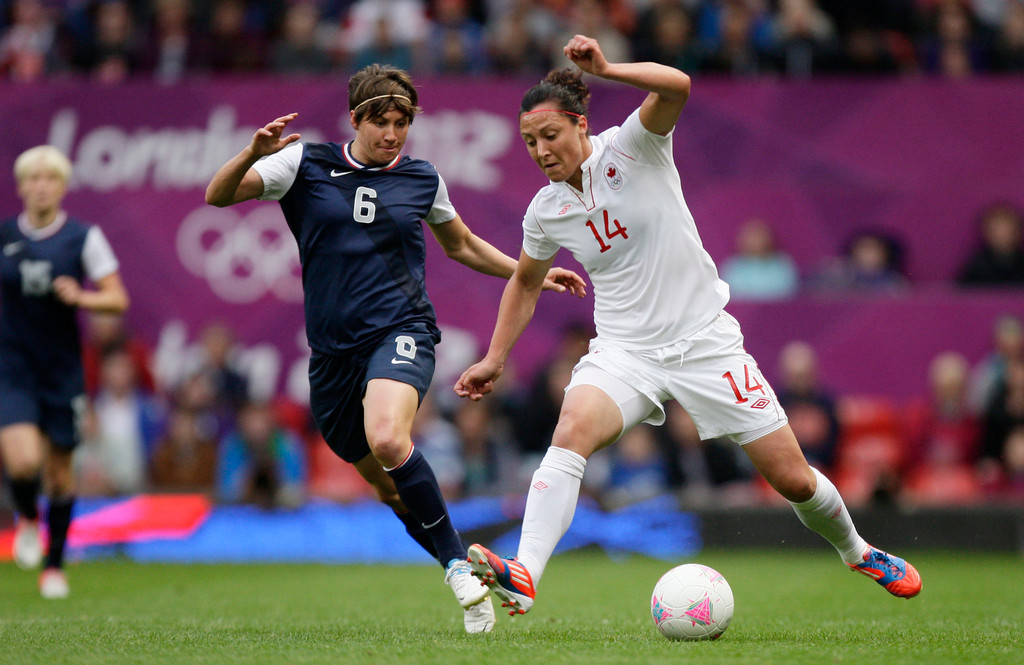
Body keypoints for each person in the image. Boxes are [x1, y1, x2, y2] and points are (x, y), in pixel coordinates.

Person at [454, 35, 921, 617]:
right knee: (571, 428)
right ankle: (524, 574)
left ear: (580, 125)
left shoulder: (634, 147)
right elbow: (524, 282)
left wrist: (606, 68)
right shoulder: (545, 212)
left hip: (705, 343)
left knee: (794, 480)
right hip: (625, 350)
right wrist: (496, 358)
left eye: (550, 136)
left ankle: (857, 551)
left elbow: (676, 85)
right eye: (529, 142)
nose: (541, 150)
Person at [204, 63, 586, 633]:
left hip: (400, 331)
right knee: (389, 489)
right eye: (380, 122)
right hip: (333, 357)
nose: (392, 133)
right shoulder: (302, 163)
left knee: (388, 437)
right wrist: (251, 152)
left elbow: (461, 246)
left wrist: (530, 272)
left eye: (402, 122)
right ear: (355, 119)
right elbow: (218, 196)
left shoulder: (422, 177)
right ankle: (459, 567)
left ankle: (459, 568)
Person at [1, 145, 130, 598]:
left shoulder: (82, 237)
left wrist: (82, 296)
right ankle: (27, 519)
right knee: (22, 461)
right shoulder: (3, 237)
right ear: (20, 187)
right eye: (33, 179)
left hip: (62, 371)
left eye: (50, 178)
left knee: (59, 472)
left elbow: (117, 298)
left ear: (62, 186)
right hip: (12, 367)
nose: (41, 186)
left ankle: (54, 567)